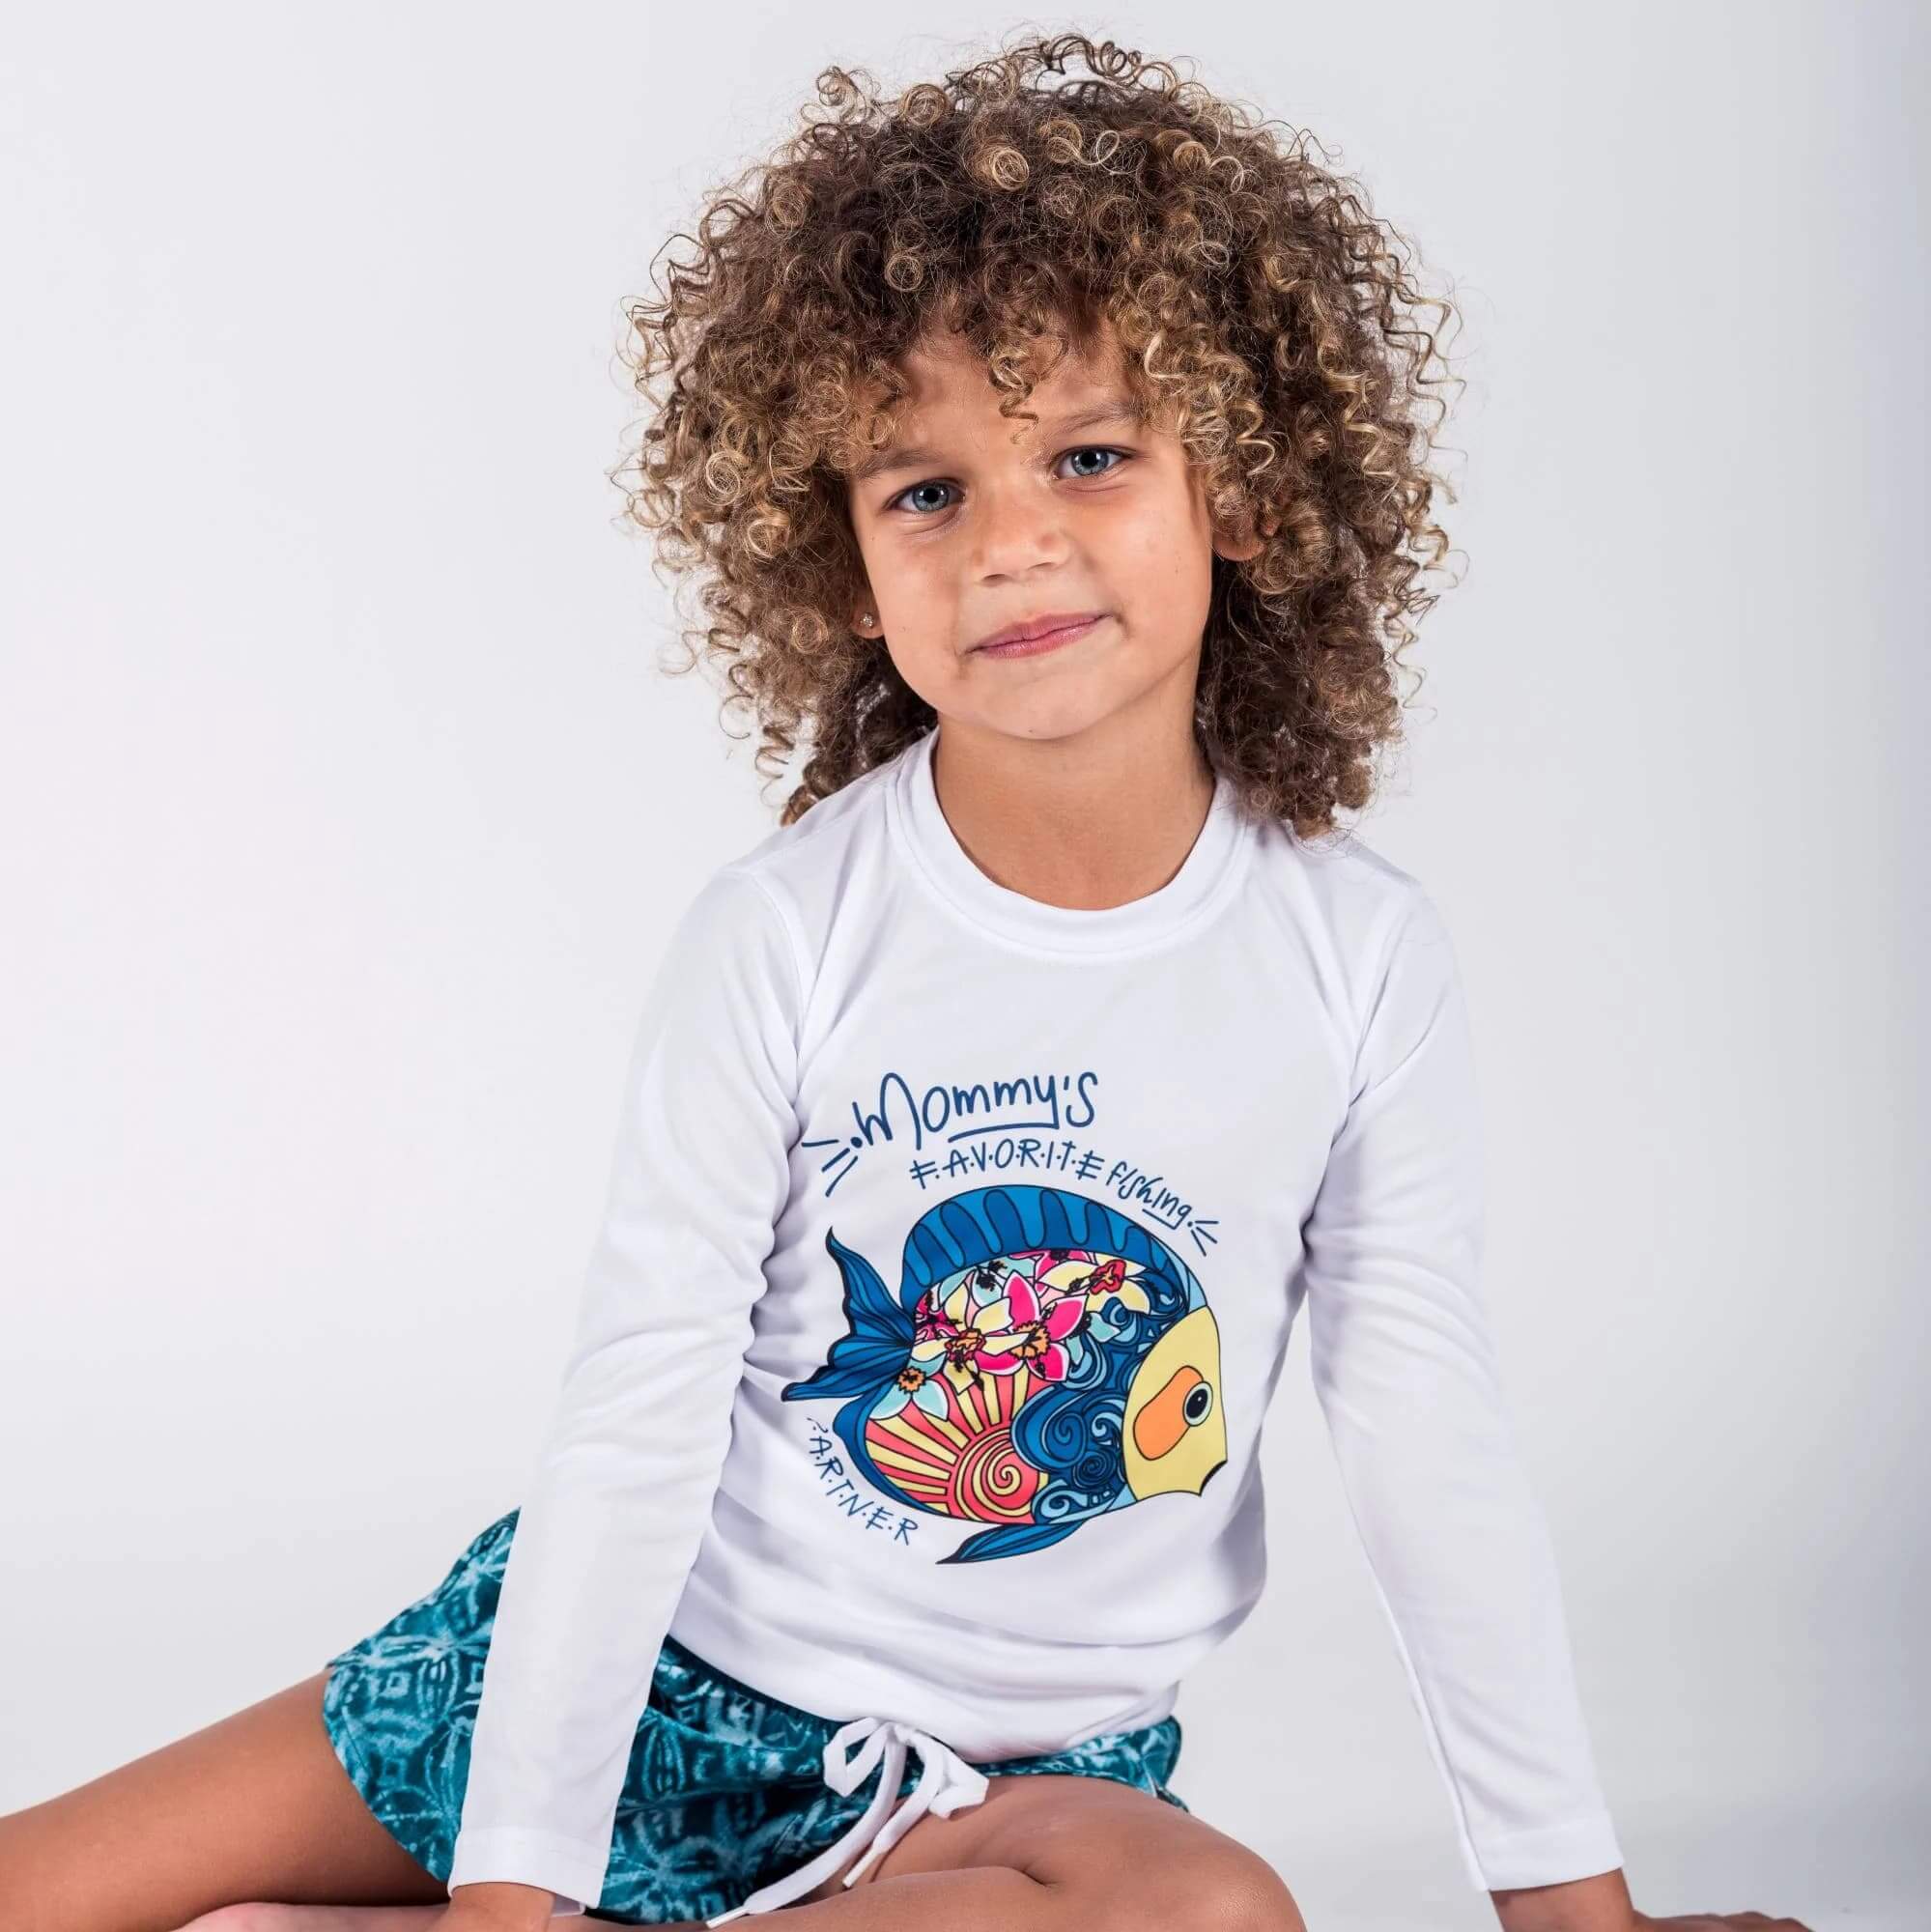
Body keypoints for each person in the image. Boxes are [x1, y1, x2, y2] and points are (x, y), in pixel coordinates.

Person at [1, 31, 1812, 1932]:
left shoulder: (1356, 960)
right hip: (625, 1694)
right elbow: (634, 1429)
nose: (1013, 539)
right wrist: (508, 1900)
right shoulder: (785, 934)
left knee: (1218, 1920)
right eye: (925, 489)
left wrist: (1578, 1922)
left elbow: (1428, 1446)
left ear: (1247, 488)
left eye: (1091, 455)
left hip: (1004, 1805)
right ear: (845, 565)